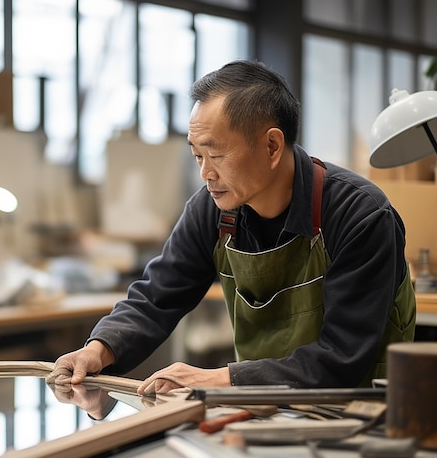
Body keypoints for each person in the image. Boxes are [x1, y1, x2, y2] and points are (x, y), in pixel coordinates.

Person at [48, 59, 416, 395]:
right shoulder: (212, 211)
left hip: (363, 416)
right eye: (197, 155)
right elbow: (156, 296)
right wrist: (98, 350)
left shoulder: (360, 215)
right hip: (260, 409)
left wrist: (214, 379)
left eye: (217, 154)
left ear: (272, 146)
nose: (206, 174)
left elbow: (342, 358)